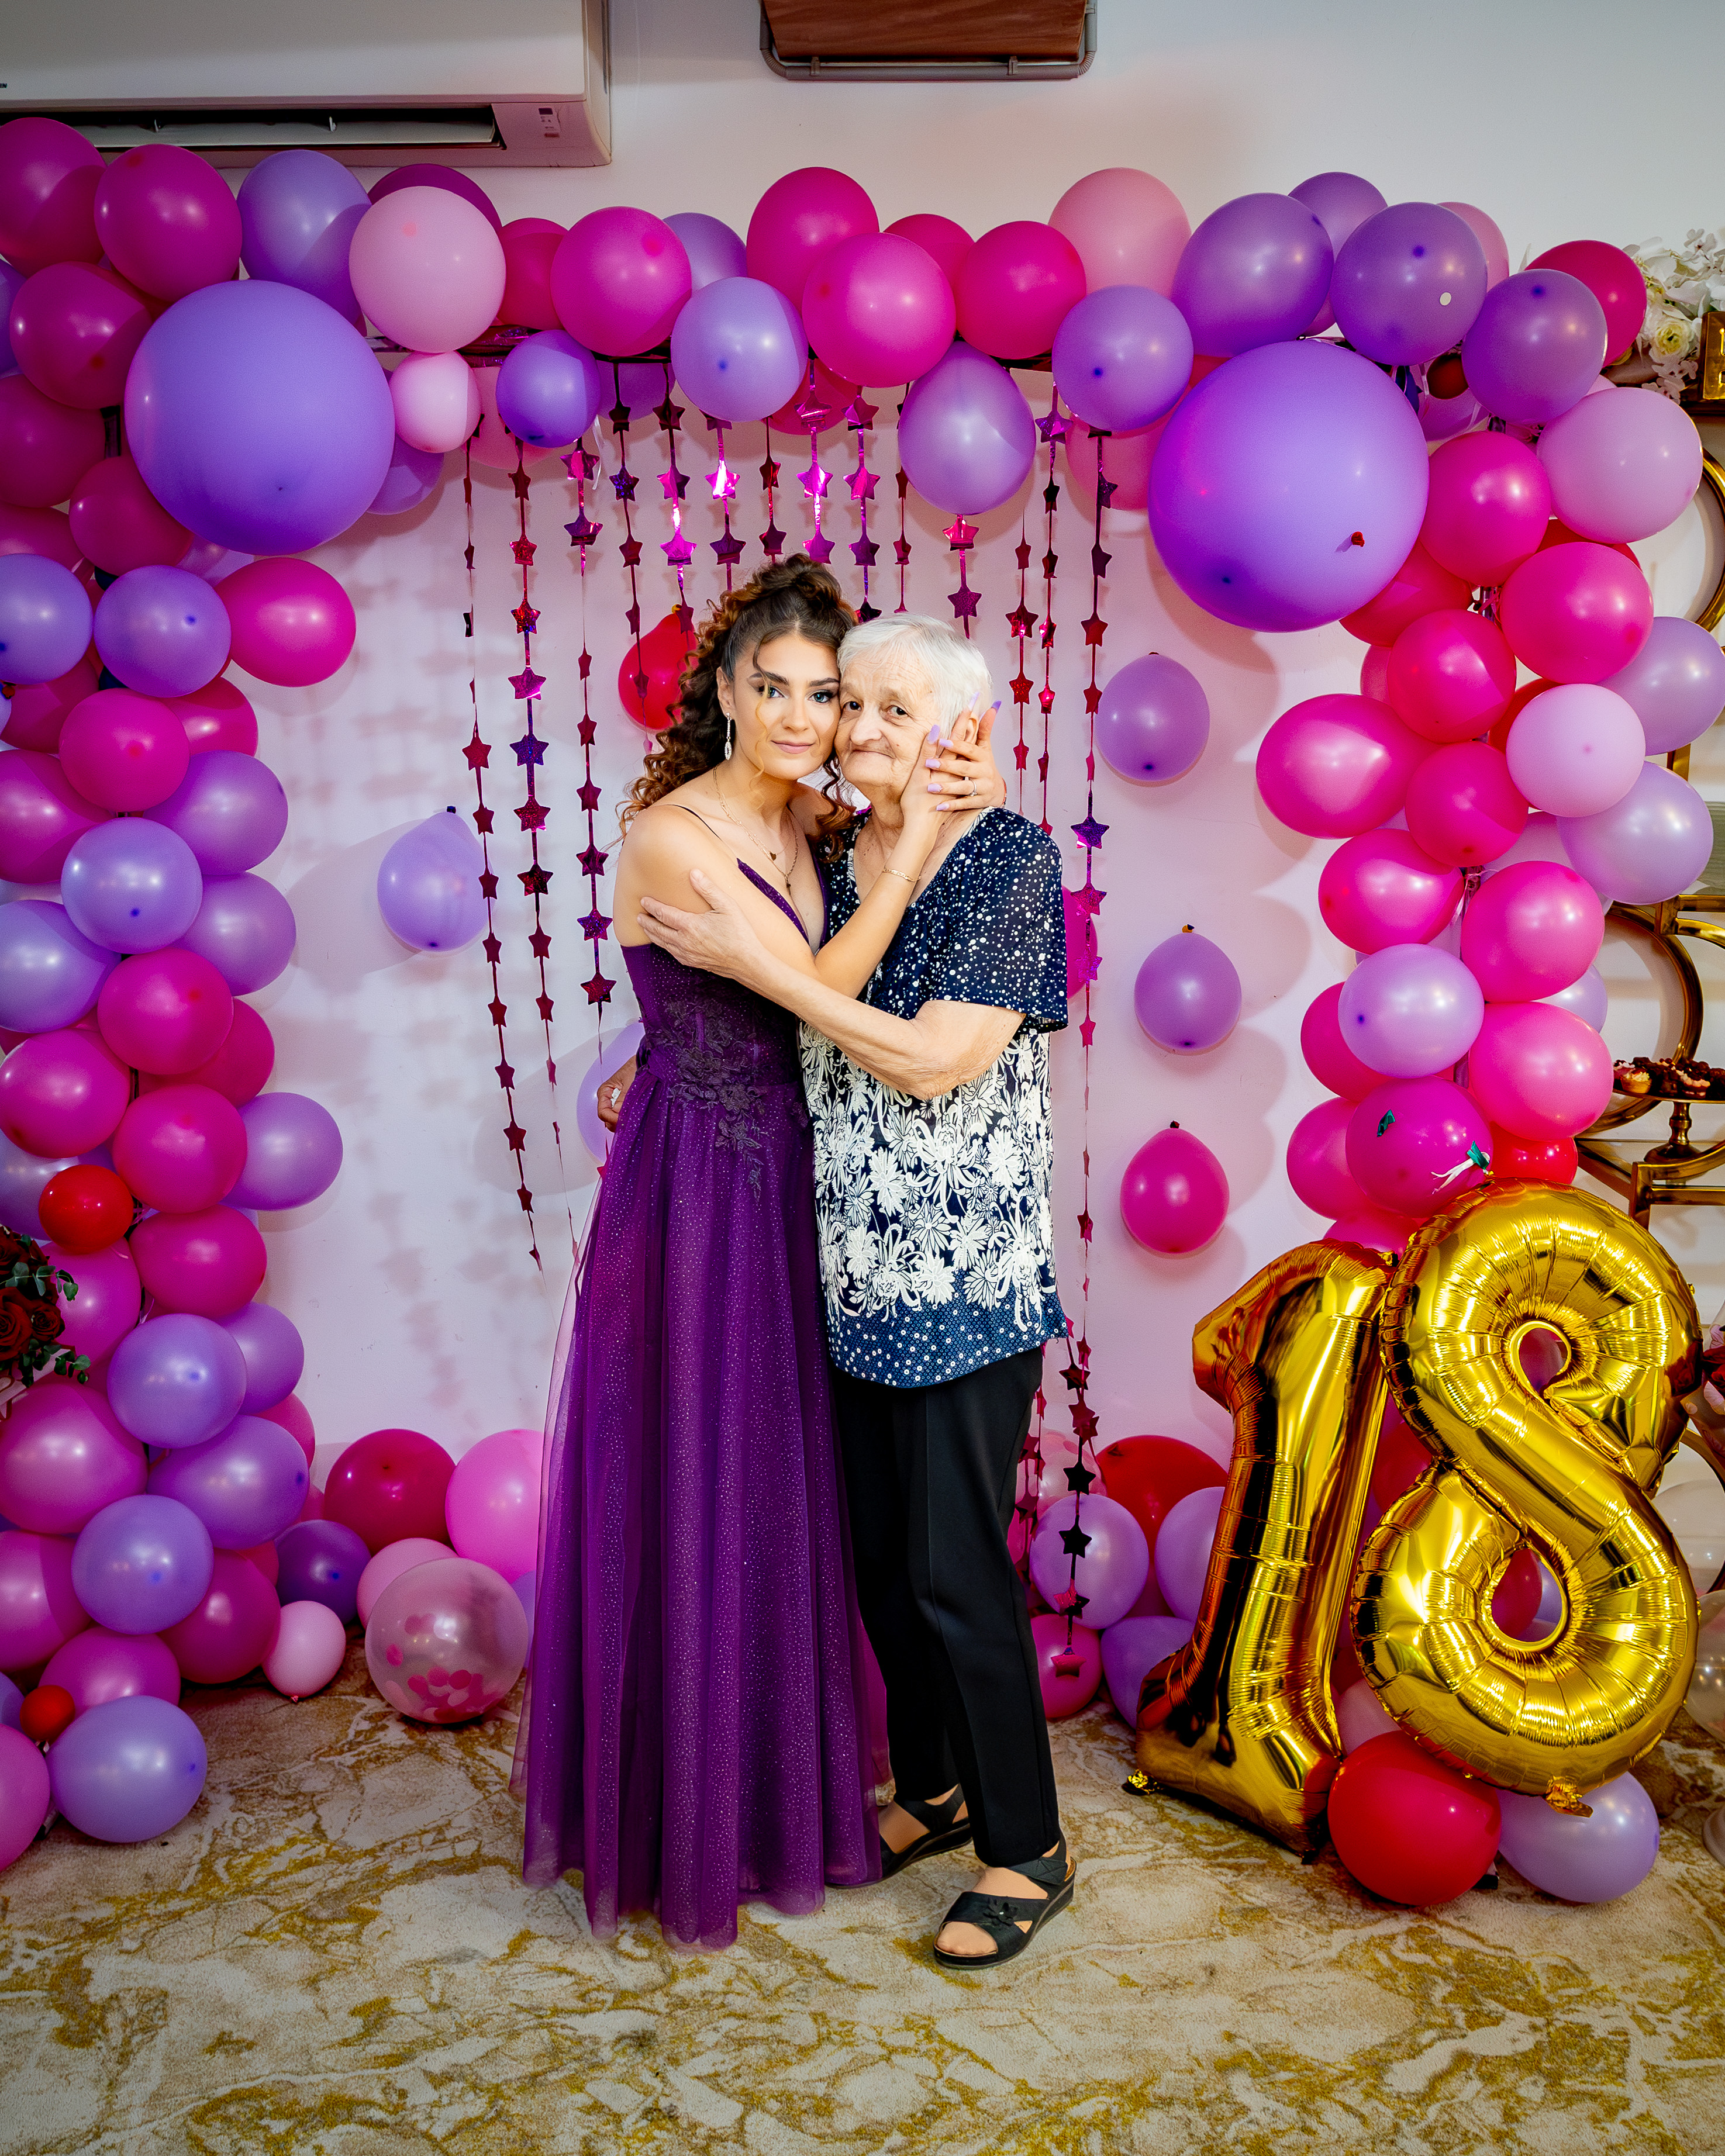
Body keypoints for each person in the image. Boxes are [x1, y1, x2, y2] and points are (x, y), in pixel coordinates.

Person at [516, 561, 999, 1952]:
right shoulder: (670, 838)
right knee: (694, 1479)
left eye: (822, 693)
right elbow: (808, 1004)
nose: (798, 716)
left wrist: (953, 792)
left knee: (791, 1489)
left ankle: (783, 1793)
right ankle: (687, 1820)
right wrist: (903, 860)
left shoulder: (815, 821)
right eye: (770, 687)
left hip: (807, 1178)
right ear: (720, 692)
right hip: (699, 1192)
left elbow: (867, 934)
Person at [637, 616, 1074, 1970]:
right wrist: (648, 1065)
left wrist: (762, 973)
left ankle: (1026, 1844)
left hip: (962, 1275)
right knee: (881, 1562)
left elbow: (934, 1060)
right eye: (854, 706)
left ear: (958, 729)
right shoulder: (835, 854)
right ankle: (933, 1789)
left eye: (896, 708)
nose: (863, 730)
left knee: (953, 1569)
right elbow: (755, 1029)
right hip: (846, 1267)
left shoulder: (1007, 857)